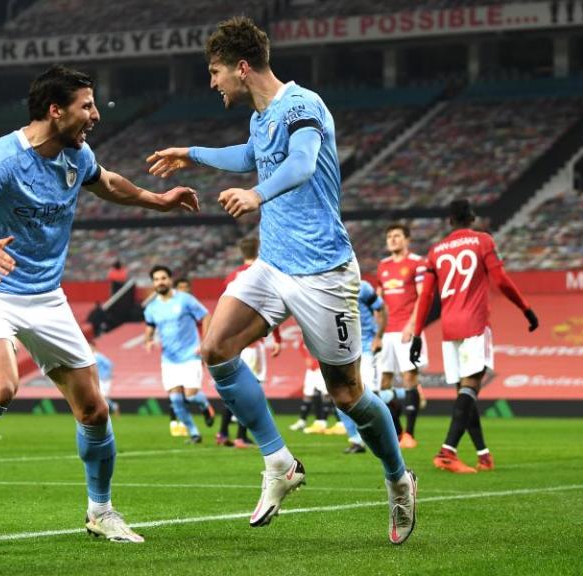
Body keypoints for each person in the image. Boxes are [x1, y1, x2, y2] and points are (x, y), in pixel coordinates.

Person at [0, 65, 198, 555]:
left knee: (94, 410)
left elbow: (107, 182)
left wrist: (159, 201)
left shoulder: (76, 155)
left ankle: (101, 512)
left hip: (46, 297)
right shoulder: (4, 157)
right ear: (54, 109)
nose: (95, 115)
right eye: (86, 105)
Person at [147, 16, 416, 544]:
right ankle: (279, 462)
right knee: (216, 348)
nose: (213, 81)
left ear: (241, 67)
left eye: (216, 71)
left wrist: (256, 195)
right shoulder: (260, 116)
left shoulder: (302, 105)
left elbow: (301, 162)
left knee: (348, 395)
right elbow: (251, 156)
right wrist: (192, 154)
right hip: (273, 263)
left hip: (324, 272)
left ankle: (399, 479)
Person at [409, 199, 539, 474]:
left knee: (464, 394)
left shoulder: (435, 251)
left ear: (449, 222)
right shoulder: (482, 241)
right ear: (472, 218)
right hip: (474, 324)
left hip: (448, 328)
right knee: (470, 387)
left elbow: (426, 296)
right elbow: (501, 280)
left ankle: (483, 454)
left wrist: (418, 333)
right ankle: (447, 452)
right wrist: (526, 309)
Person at [218, 237, 282, 448]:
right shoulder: (263, 274)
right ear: (259, 249)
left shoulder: (231, 277)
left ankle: (222, 432)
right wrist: (277, 338)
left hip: (234, 343)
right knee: (251, 390)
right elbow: (270, 306)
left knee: (234, 387)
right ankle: (241, 436)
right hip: (253, 344)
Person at [144, 265, 215, 444]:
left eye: (163, 278)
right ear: (153, 283)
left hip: (190, 355)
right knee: (176, 400)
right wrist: (148, 340)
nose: (160, 282)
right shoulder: (151, 308)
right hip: (168, 359)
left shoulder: (185, 300)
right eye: (156, 279)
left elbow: (206, 316)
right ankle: (194, 434)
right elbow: (149, 327)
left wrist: (205, 341)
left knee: (190, 395)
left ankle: (205, 406)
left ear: (170, 279)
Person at [377, 223, 428, 449]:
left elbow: (422, 296)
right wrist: (377, 334)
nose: (393, 239)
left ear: (407, 240)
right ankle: (396, 431)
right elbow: (380, 304)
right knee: (384, 383)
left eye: (397, 236)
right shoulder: (382, 267)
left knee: (409, 378)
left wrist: (412, 325)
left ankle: (410, 433)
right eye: (390, 236)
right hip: (387, 333)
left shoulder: (417, 263)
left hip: (407, 329)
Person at [339, 279, 387, 454]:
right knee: (339, 396)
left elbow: (381, 308)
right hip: (344, 349)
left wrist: (379, 337)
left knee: (369, 395)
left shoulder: (362, 286)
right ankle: (356, 440)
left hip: (366, 346)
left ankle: (382, 437)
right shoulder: (326, 286)